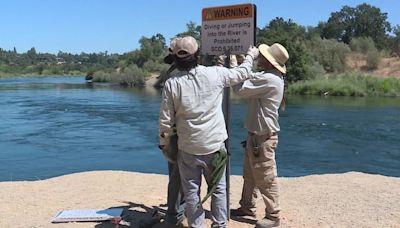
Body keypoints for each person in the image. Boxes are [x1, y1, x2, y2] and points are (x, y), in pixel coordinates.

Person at [159, 36, 259, 228]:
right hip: (214, 145)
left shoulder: (172, 84)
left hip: (187, 148)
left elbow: (165, 119)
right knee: (219, 189)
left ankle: (197, 225)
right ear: (198, 55)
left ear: (176, 59)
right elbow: (243, 72)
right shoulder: (216, 74)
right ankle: (219, 225)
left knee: (191, 192)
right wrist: (250, 56)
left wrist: (164, 145)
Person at [231, 43, 289, 228]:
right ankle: (246, 206)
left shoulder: (270, 79)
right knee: (250, 175)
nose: (261, 58)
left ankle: (273, 216)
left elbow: (239, 88)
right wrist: (243, 62)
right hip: (257, 136)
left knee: (266, 177)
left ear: (270, 62)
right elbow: (249, 77)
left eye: (264, 57)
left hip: (262, 138)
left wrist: (234, 64)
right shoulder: (272, 77)